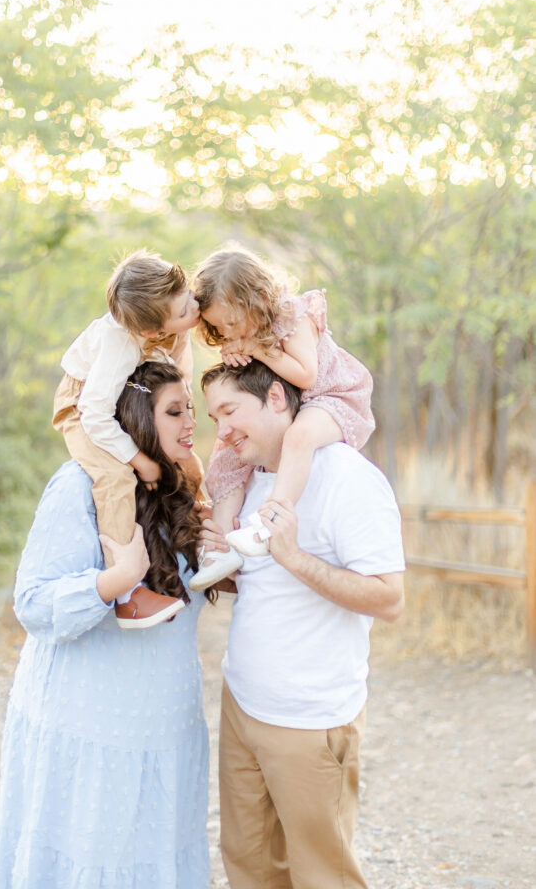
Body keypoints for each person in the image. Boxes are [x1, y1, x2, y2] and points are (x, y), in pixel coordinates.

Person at [0, 362, 213, 889]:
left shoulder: (183, 488)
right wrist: (117, 580)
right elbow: (34, 602)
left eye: (192, 412)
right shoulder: (80, 485)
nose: (189, 425)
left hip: (163, 725)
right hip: (89, 723)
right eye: (174, 412)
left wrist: (217, 556)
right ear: (135, 416)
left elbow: (186, 603)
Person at [200, 359, 405, 889]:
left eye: (229, 411)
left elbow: (388, 598)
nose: (221, 430)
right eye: (213, 416)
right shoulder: (246, 480)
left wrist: (293, 557)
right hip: (242, 705)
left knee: (323, 875)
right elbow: (261, 592)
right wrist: (218, 563)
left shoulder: (347, 477)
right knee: (248, 863)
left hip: (311, 719)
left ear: (273, 397)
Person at [189, 246, 375, 592]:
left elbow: (306, 375)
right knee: (226, 457)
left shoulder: (294, 315)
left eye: (231, 322)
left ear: (259, 298)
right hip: (294, 401)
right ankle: (220, 548)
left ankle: (270, 520)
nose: (228, 333)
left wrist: (256, 350)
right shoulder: (243, 330)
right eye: (219, 327)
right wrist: (236, 355)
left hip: (332, 395)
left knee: (298, 438)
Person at [52, 249, 202, 626]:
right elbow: (95, 414)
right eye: (185, 312)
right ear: (151, 330)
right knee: (115, 478)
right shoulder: (119, 345)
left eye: (190, 297)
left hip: (113, 399)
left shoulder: (159, 322)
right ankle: (127, 593)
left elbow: (177, 375)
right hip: (82, 407)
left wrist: (182, 332)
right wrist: (139, 459)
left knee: (184, 459)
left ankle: (206, 533)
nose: (194, 309)